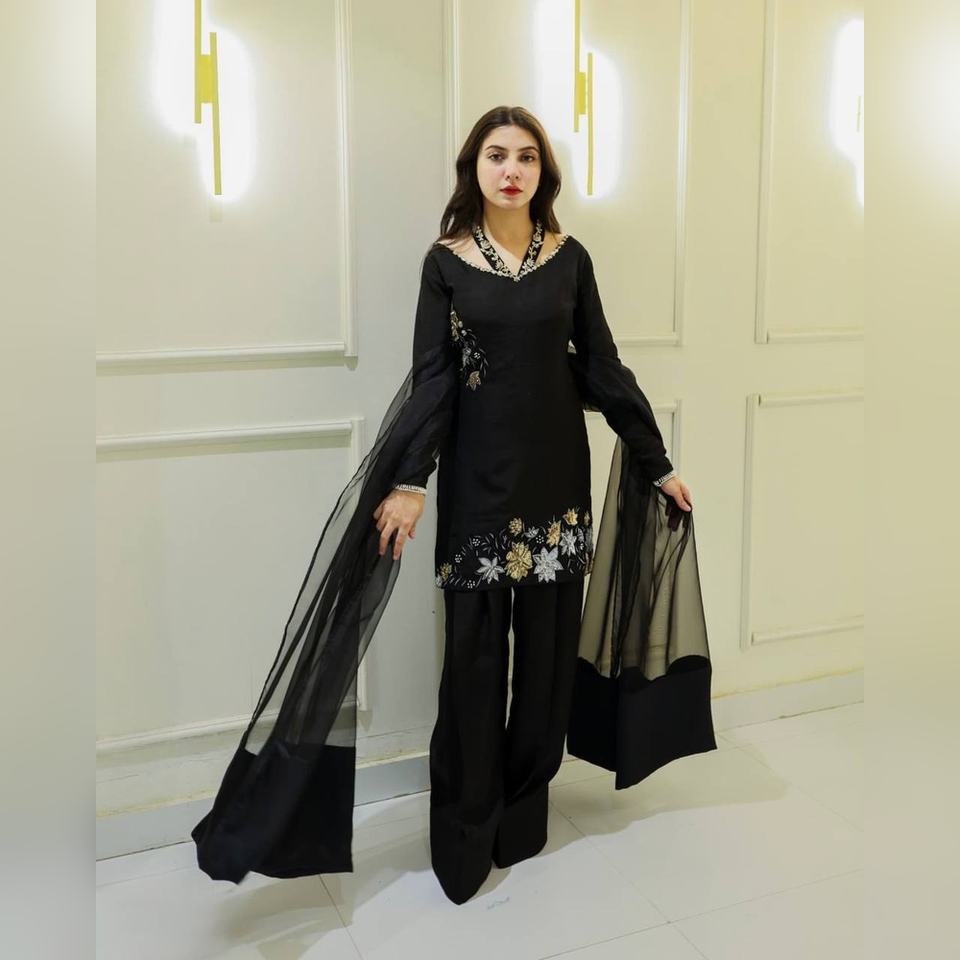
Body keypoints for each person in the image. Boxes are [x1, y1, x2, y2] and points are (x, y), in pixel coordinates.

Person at [192, 106, 716, 906]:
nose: (512, 170)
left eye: (527, 157)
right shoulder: (446, 264)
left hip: (557, 492)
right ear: (474, 167)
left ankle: (521, 819)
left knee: (544, 671)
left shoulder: (571, 260)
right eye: (497, 155)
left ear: (543, 173)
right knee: (473, 671)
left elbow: (602, 367)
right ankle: (465, 836)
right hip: (478, 491)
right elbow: (434, 379)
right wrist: (410, 483)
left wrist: (658, 461)